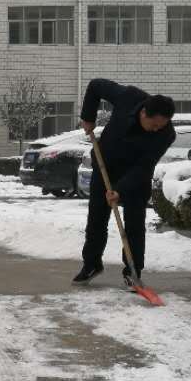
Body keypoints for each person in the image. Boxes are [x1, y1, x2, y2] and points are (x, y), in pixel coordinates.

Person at [71, 79, 176, 288]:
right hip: (105, 166)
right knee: (96, 219)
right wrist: (88, 117)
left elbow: (144, 167)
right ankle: (91, 264)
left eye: (161, 126)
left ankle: (133, 271)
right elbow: (95, 86)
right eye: (154, 125)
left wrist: (120, 190)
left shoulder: (166, 135)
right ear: (143, 113)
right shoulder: (129, 97)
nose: (156, 129)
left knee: (134, 224)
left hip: (134, 177)